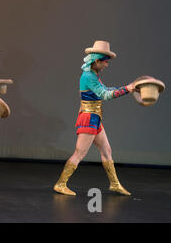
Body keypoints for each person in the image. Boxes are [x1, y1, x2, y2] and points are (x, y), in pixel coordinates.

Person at [53, 41, 136, 196]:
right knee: (79, 153)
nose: (106, 65)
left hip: (94, 118)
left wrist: (127, 88)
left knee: (107, 151)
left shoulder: (93, 75)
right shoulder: (88, 77)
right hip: (89, 118)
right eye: (105, 62)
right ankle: (60, 184)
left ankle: (115, 184)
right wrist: (126, 89)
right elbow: (105, 95)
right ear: (96, 61)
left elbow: (105, 90)